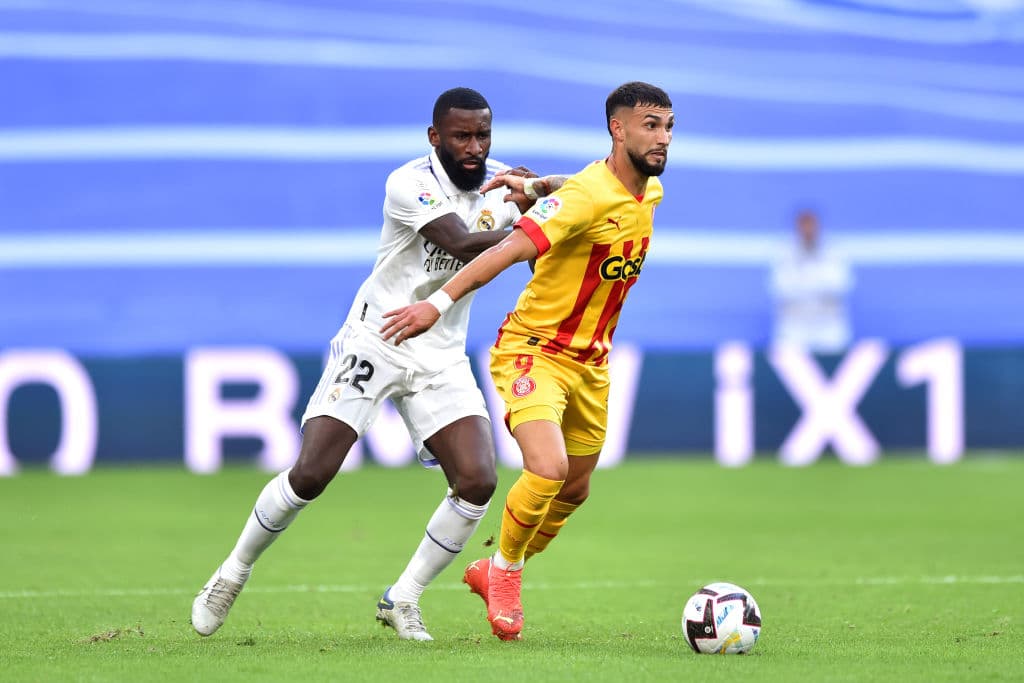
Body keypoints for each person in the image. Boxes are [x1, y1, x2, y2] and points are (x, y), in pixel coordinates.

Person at [190, 87, 557, 642]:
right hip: (376, 339)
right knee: (312, 472)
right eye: (461, 136)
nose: (474, 147)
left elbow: (558, 216)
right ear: (435, 137)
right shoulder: (407, 183)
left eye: (482, 135)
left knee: (478, 481)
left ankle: (402, 599)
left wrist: (541, 194)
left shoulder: (503, 182)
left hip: (440, 353)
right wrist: (532, 228)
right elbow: (461, 245)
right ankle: (232, 572)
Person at [381, 81, 674, 641]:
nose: (662, 139)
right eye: (650, 126)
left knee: (575, 490)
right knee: (548, 468)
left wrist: (541, 184)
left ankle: (493, 569)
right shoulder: (584, 200)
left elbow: (591, 187)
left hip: (591, 364)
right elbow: (503, 252)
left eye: (668, 127)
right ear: (618, 128)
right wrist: (434, 306)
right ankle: (508, 574)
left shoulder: (644, 191)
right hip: (532, 351)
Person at [769, 209, 854, 353]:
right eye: (804, 226)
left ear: (818, 227)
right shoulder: (783, 253)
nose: (808, 230)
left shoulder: (834, 252)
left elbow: (840, 285)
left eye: (811, 225)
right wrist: (817, 284)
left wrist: (803, 282)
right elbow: (780, 288)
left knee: (835, 352)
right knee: (785, 352)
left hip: (828, 324)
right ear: (797, 228)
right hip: (794, 325)